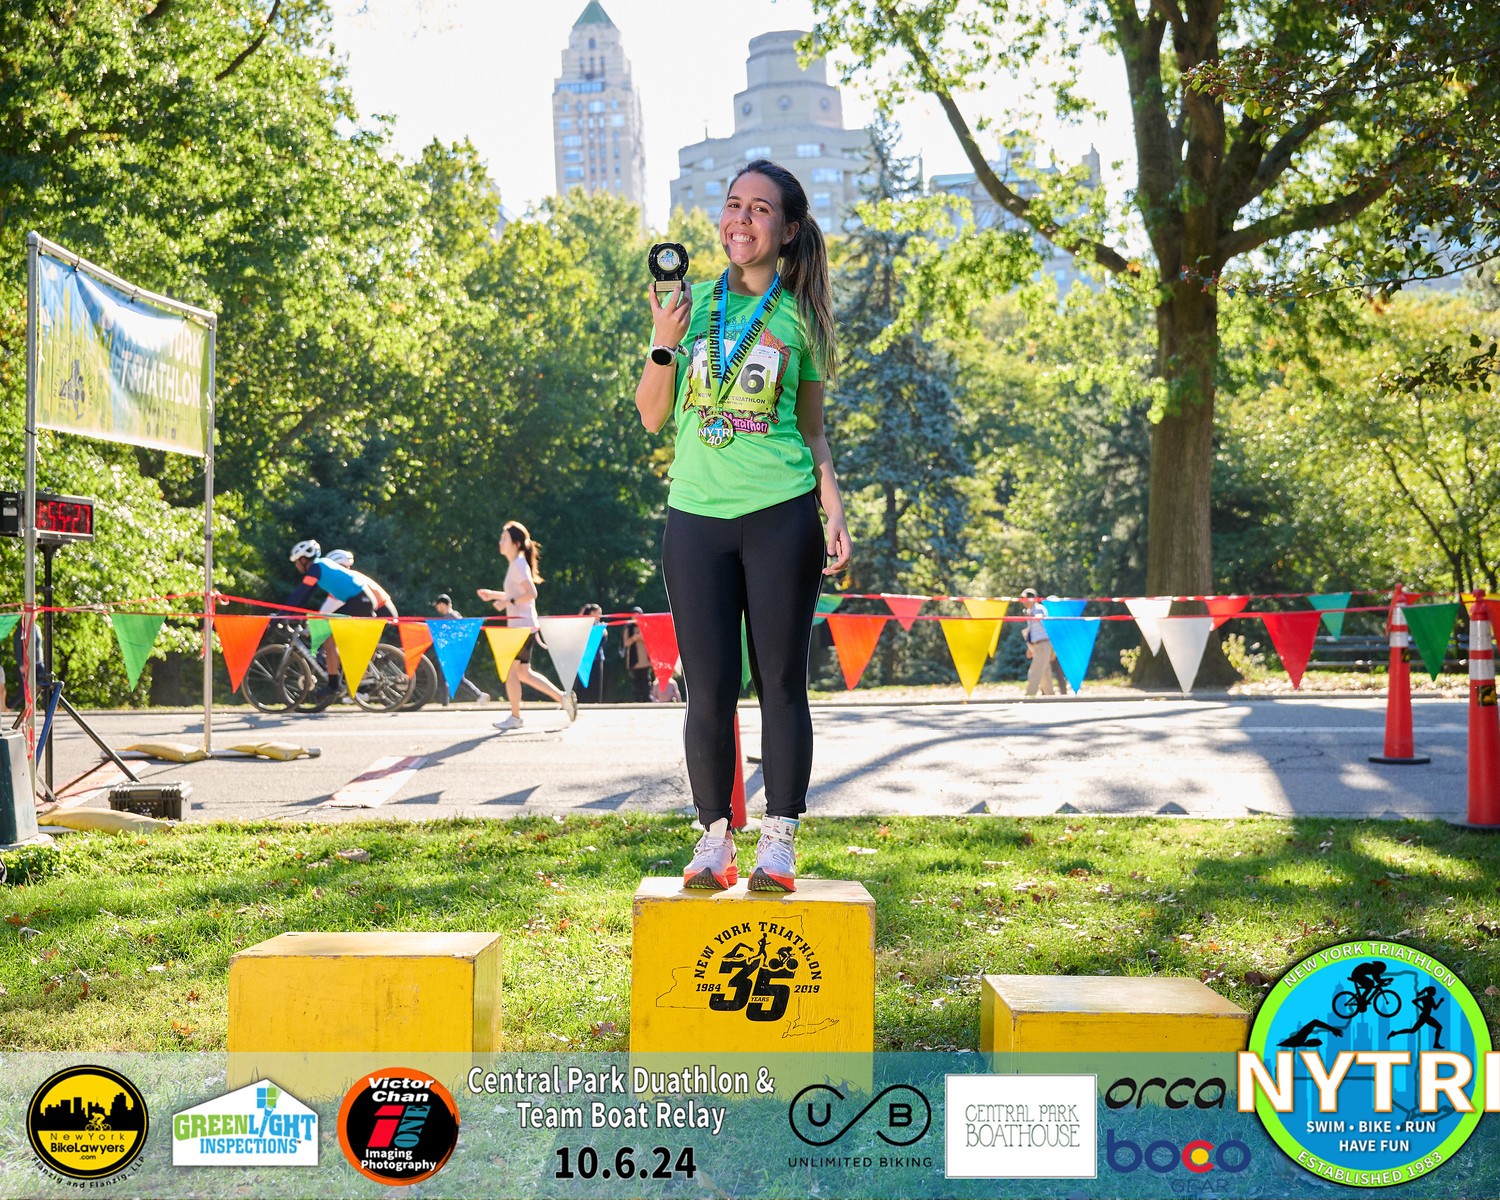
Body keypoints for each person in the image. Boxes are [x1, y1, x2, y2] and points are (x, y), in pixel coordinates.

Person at [635, 158, 850, 893]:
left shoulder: (802, 317)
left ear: (788, 230)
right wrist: (665, 337)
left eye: (760, 209)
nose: (741, 220)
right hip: (695, 516)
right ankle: (713, 841)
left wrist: (834, 505)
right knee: (710, 687)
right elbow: (653, 413)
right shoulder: (687, 305)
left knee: (783, 682)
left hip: (779, 515)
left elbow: (814, 433)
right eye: (733, 205)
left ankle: (779, 842)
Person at [477, 521, 577, 731]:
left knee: (511, 672)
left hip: (521, 628)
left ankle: (515, 717)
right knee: (523, 673)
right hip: (525, 626)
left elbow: (531, 594)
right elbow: (518, 595)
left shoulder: (518, 565)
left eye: (504, 538)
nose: (500, 542)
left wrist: (508, 602)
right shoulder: (517, 564)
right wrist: (494, 595)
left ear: (515, 543)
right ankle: (563, 698)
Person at [285, 539, 374, 698]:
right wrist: (291, 613)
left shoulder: (316, 567)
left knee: (328, 637)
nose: (296, 566)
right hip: (360, 600)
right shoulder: (320, 567)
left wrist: (280, 614)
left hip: (360, 601)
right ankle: (342, 677)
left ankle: (334, 684)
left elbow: (301, 593)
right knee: (332, 638)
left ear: (304, 559)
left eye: (297, 562)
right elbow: (305, 596)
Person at [431, 594, 489, 703]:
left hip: (454, 653)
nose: (437, 609)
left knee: (457, 679)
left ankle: (479, 695)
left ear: (443, 605)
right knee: (444, 678)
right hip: (450, 652)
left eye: (438, 606)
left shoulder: (452, 616)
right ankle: (445, 702)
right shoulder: (454, 615)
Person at [1020, 588, 1055, 697]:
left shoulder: (1038, 608)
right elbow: (1032, 631)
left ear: (1033, 598)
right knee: (1045, 675)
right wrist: (1029, 648)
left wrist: (1037, 617)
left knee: (1034, 672)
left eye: (1025, 598)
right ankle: (1051, 697)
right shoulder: (1030, 611)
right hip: (1037, 645)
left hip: (1043, 644)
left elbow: (1041, 616)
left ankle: (1029, 696)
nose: (1023, 601)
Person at [577, 604, 607, 704]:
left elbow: (603, 641)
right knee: (583, 683)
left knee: (597, 682)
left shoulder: (600, 626)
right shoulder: (583, 625)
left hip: (598, 657)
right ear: (592, 613)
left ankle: (596, 702)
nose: (600, 615)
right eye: (599, 613)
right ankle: (581, 702)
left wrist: (603, 633)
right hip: (584, 658)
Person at [621, 607, 653, 703]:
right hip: (633, 658)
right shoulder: (628, 628)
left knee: (646, 680)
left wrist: (641, 637)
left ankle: (647, 698)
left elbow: (650, 639)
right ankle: (637, 699)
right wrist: (634, 638)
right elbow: (626, 643)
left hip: (644, 659)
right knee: (636, 680)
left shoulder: (645, 626)